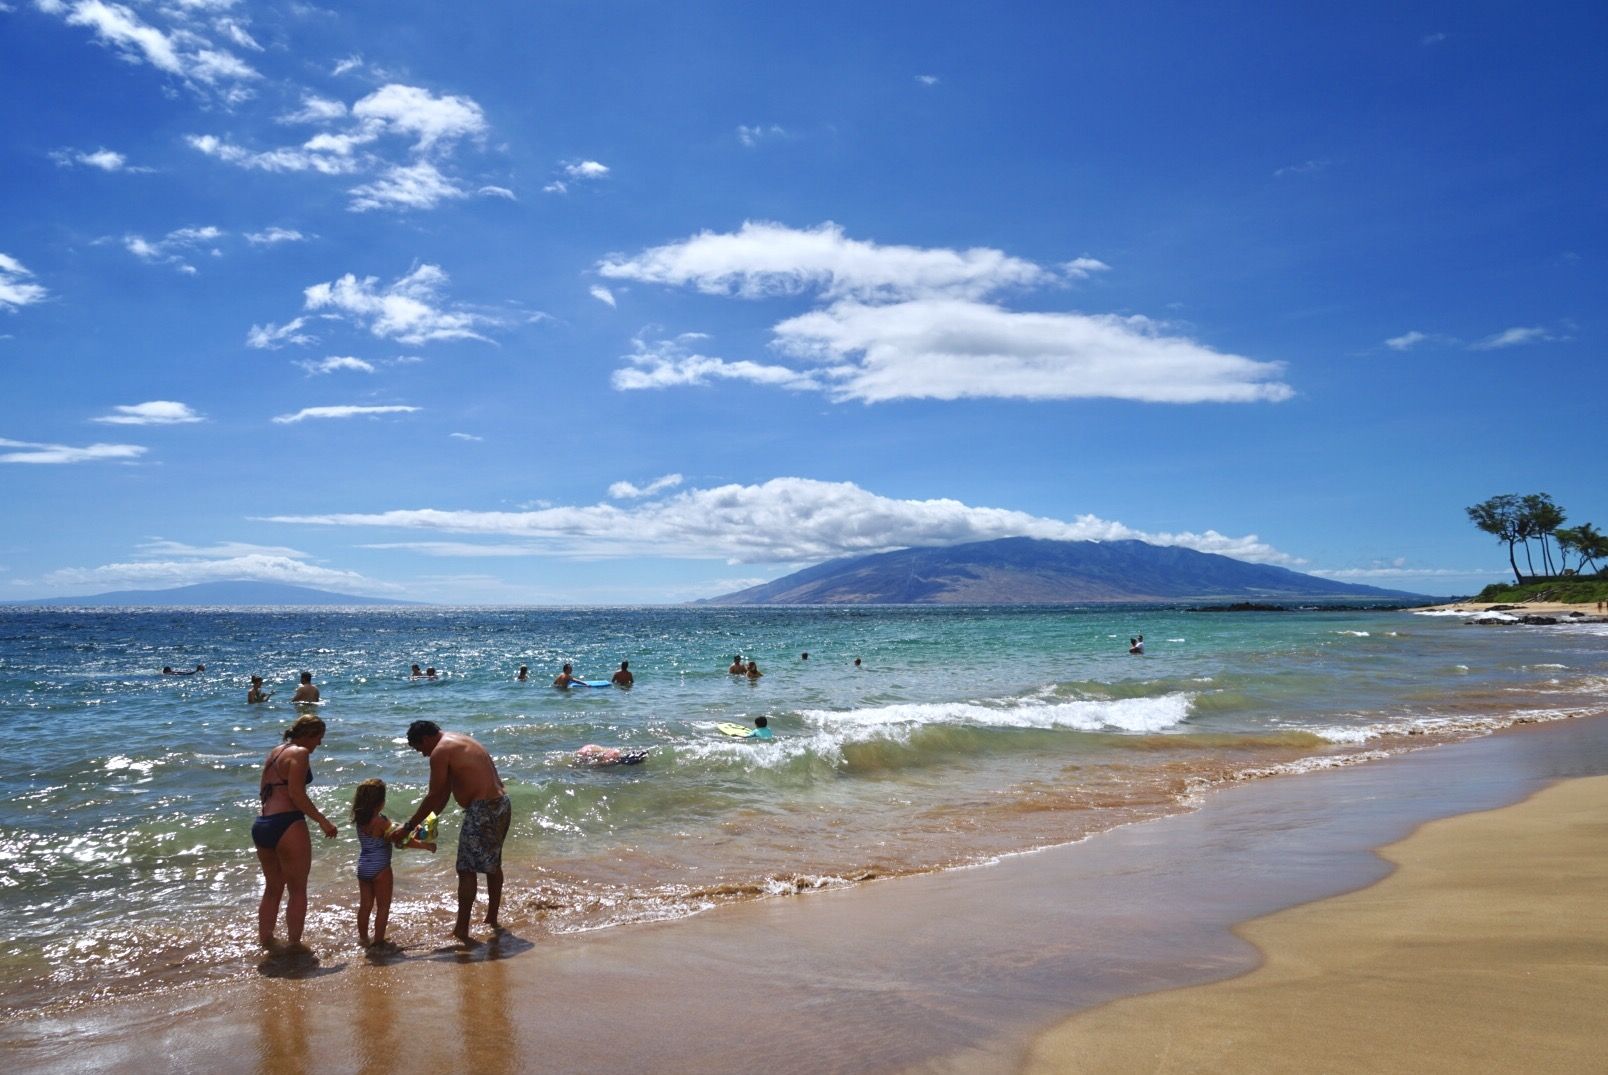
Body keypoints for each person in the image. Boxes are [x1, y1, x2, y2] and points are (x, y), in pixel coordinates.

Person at [395, 720, 511, 942]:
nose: (423, 755)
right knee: (492, 864)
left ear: (426, 739)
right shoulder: (458, 740)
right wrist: (430, 820)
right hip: (501, 804)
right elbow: (444, 792)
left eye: (420, 749)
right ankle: (492, 918)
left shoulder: (440, 751)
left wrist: (408, 826)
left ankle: (461, 929)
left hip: (482, 809)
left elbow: (432, 794)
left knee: (466, 870)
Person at [251, 714, 337, 949]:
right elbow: (297, 795)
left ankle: (266, 941)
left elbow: (264, 790)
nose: (319, 743)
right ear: (308, 735)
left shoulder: (276, 751)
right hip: (287, 823)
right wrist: (323, 821)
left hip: (263, 824)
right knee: (297, 890)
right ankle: (294, 945)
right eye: (319, 738)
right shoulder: (300, 753)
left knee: (272, 888)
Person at [351, 778, 435, 948]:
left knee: (365, 906)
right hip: (380, 868)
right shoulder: (381, 822)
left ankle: (363, 939)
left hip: (363, 867)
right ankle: (379, 941)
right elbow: (400, 842)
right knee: (383, 906)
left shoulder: (360, 819)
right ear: (380, 802)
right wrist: (425, 845)